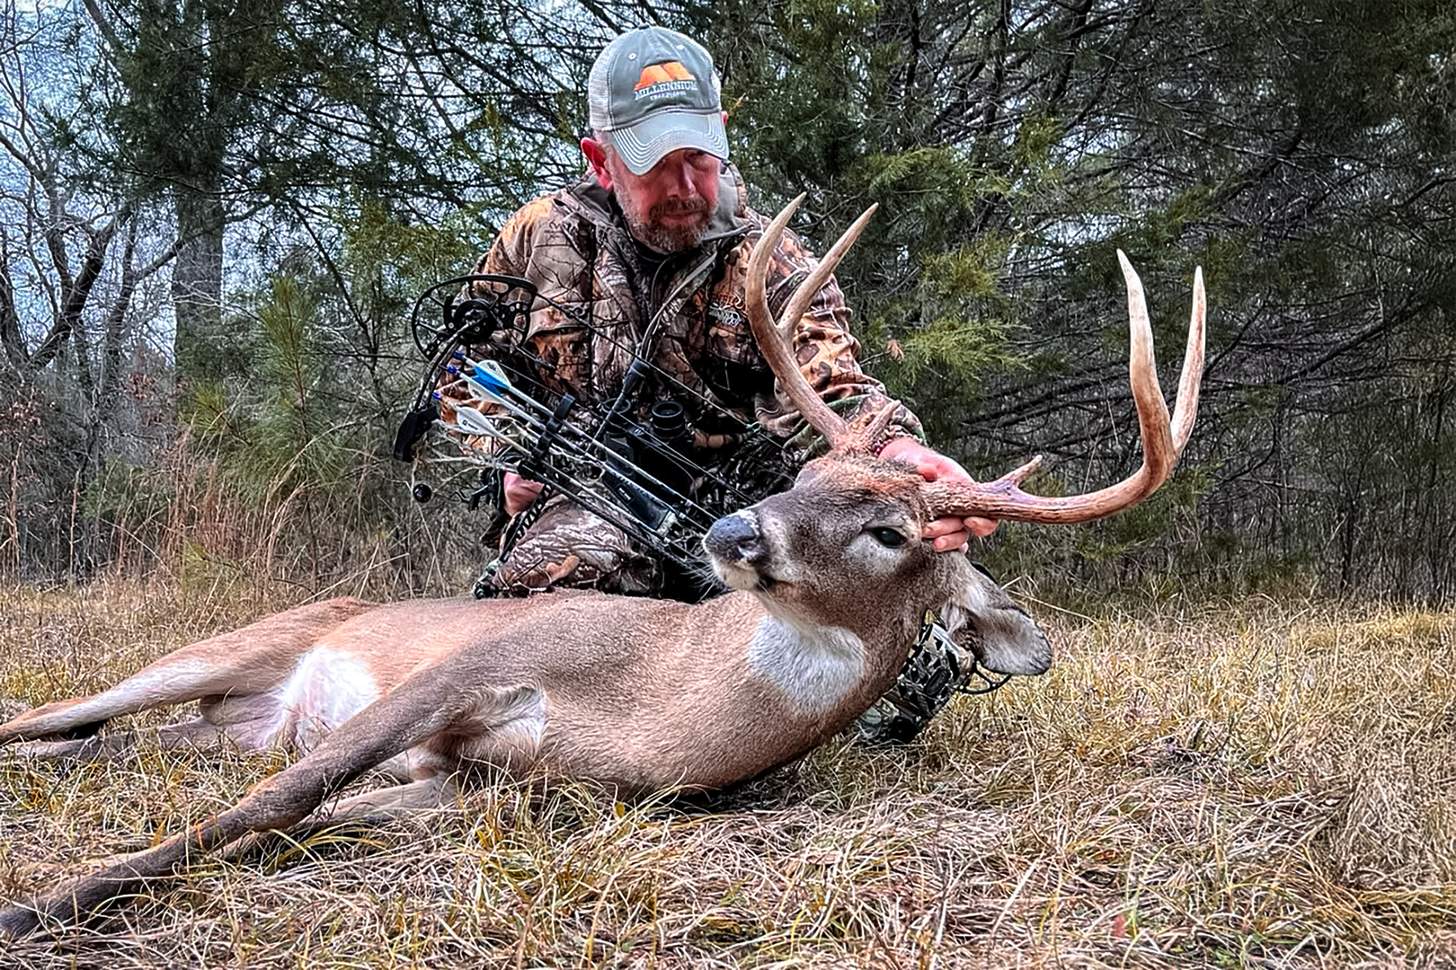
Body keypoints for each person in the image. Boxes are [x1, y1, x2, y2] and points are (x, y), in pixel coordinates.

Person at [444, 26, 1039, 742]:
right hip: (595, 508)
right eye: (656, 165)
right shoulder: (537, 239)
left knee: (891, 669)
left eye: (699, 157)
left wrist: (902, 459)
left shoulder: (770, 257)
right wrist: (503, 454)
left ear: (722, 134)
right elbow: (462, 372)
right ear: (600, 161)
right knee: (556, 588)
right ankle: (594, 737)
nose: (687, 187)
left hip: (741, 515)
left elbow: (836, 386)